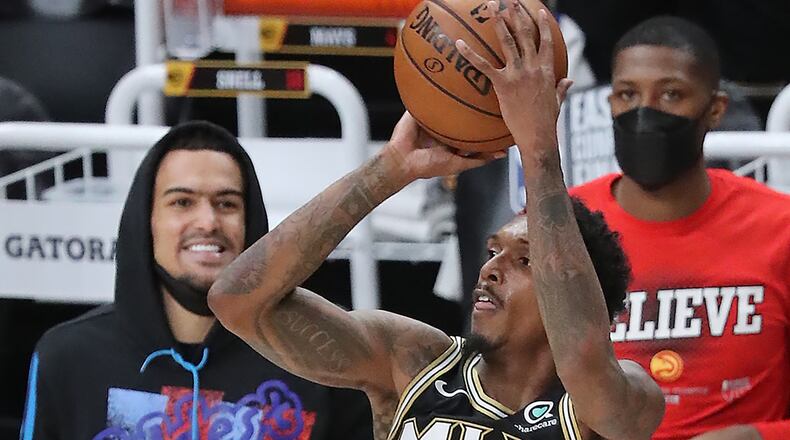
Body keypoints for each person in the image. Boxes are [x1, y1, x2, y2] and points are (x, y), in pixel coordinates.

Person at [209, 4, 665, 440]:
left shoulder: (623, 398)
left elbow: (583, 357)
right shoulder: (413, 361)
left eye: (525, 261)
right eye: (491, 252)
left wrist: (537, 148)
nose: (490, 269)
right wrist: (390, 169)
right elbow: (237, 301)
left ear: (589, 296)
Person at [19, 121, 373, 440]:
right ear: (146, 223)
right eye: (182, 202)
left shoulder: (324, 354)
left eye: (227, 204)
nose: (207, 221)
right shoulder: (69, 357)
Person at [569, 17, 790, 440]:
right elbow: (509, 391)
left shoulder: (780, 228)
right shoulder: (565, 224)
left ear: (715, 110)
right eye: (628, 94)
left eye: (671, 94)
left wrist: (756, 437)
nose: (644, 112)